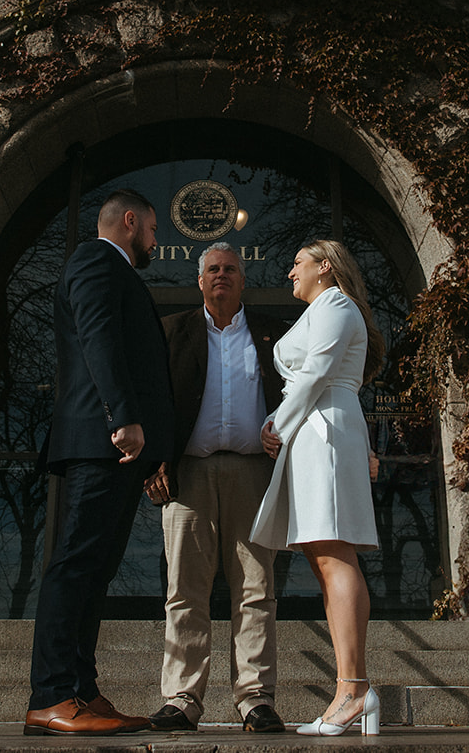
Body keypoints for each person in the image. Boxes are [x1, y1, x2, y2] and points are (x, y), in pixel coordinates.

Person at [24, 189, 175, 737]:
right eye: (154, 229)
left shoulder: (115, 272)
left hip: (116, 448)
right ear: (130, 222)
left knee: (96, 571)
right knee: (75, 565)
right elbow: (99, 340)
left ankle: (82, 691)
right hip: (101, 440)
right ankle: (52, 695)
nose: (157, 242)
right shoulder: (93, 261)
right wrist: (123, 417)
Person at [143, 243, 288, 734]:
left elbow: (296, 394)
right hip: (189, 474)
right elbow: (152, 401)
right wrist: (152, 464)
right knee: (185, 589)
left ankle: (255, 700)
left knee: (257, 590)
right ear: (199, 281)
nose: (221, 276)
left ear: (242, 281)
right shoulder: (172, 331)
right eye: (212, 270)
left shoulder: (274, 334)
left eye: (230, 269)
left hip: (254, 474)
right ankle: (182, 698)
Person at [251, 238, 386, 737]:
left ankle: (353, 690)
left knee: (334, 555)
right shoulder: (326, 308)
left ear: (325, 267)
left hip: (323, 428)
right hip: (316, 429)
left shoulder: (336, 304)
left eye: (297, 263)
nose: (290, 273)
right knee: (324, 558)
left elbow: (316, 372)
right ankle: (350, 690)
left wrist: (277, 423)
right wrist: (284, 425)